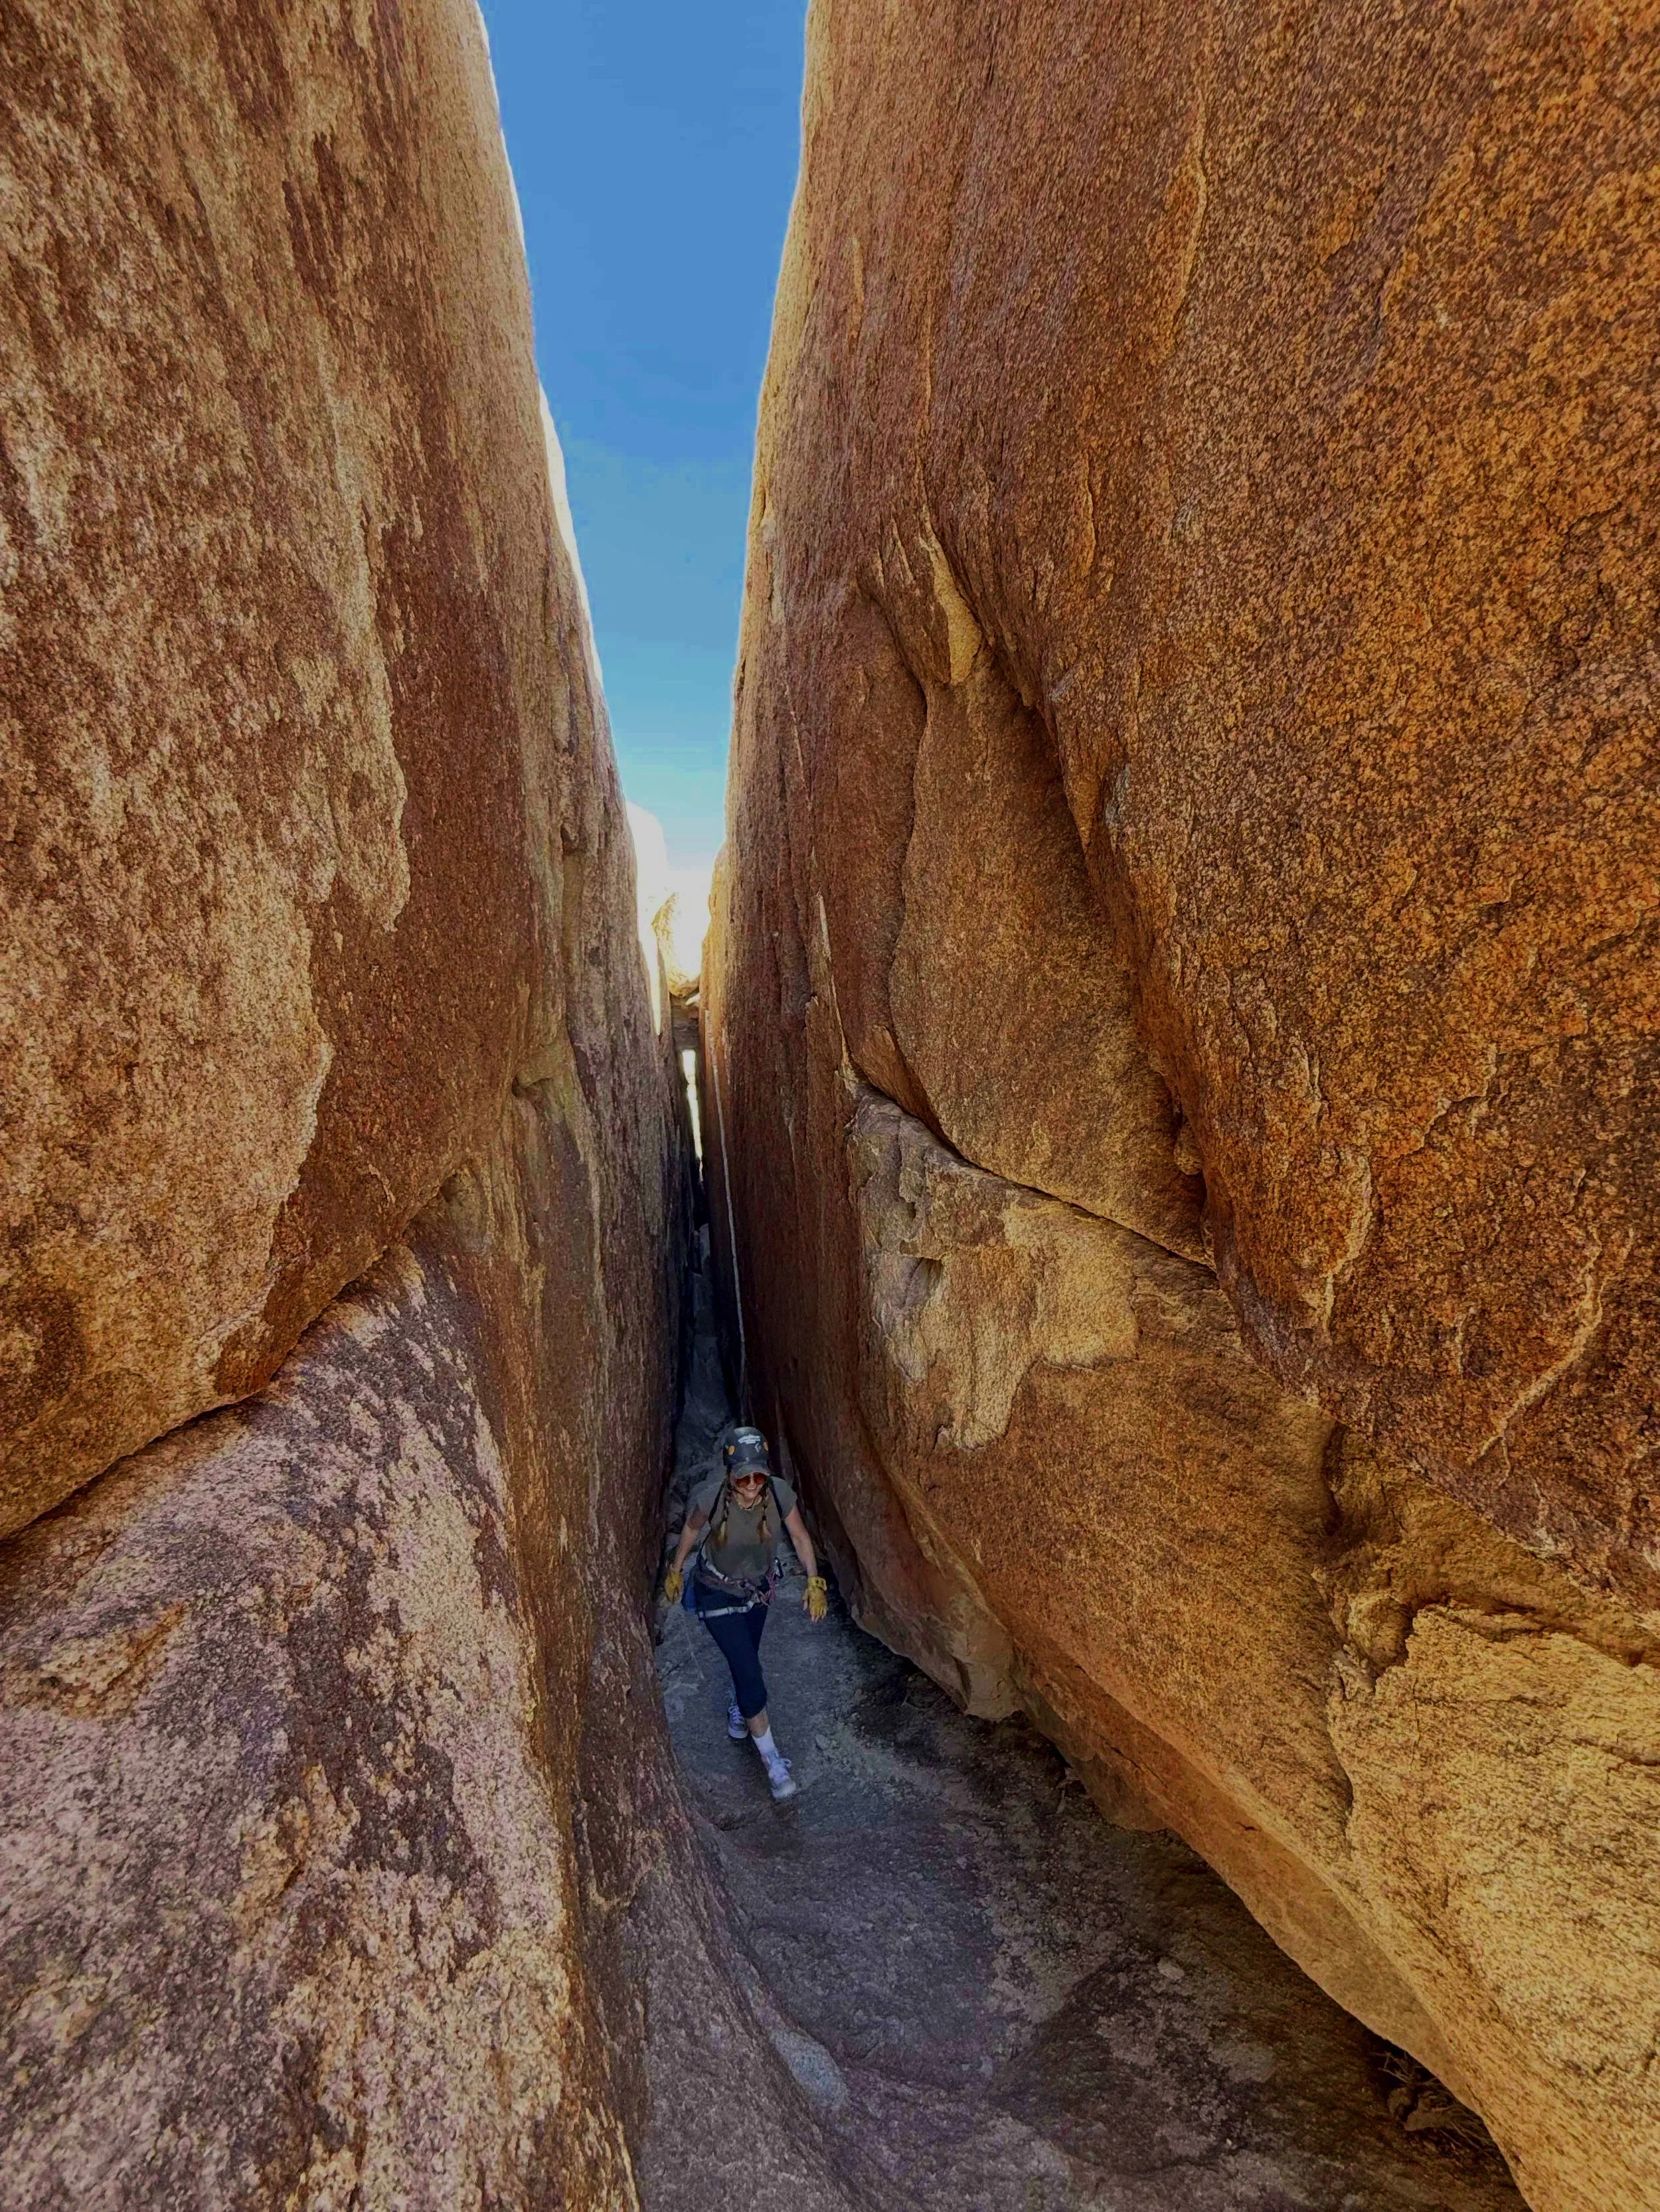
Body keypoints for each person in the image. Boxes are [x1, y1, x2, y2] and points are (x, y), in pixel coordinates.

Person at [663, 1425, 827, 1801]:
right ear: (729, 1474)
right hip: (715, 1592)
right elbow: (690, 1531)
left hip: (759, 1591)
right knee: (750, 1673)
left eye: (759, 1476)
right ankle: (772, 1762)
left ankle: (741, 1709)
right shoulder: (713, 1497)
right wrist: (675, 1569)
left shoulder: (778, 1493)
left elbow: (800, 1537)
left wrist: (814, 1581)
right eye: (744, 1478)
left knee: (748, 1657)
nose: (753, 1485)